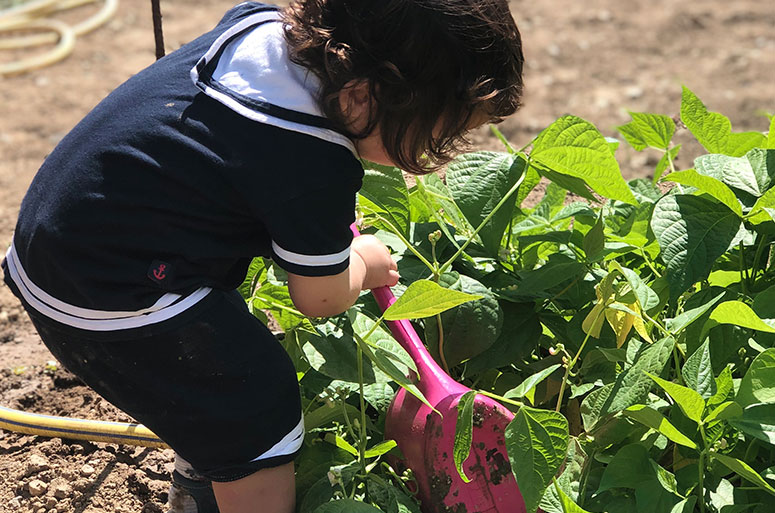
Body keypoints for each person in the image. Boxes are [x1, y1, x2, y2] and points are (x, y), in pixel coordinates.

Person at [1, 0, 524, 512]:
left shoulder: (260, 26)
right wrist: (361, 263)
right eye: (443, 130)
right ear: (364, 96)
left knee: (212, 371)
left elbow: (240, 161)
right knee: (255, 402)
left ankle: (204, 473)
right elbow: (318, 296)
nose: (448, 145)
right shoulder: (312, 159)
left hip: (57, 241)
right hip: (111, 297)